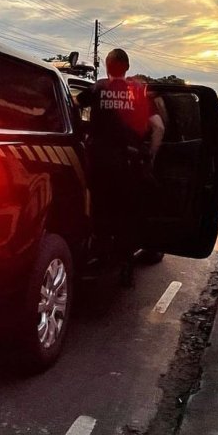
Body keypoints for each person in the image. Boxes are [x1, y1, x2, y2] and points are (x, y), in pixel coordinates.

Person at [73, 48, 165, 286]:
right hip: (130, 166)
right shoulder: (138, 92)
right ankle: (126, 266)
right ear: (127, 67)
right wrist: (150, 157)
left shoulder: (98, 88)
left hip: (100, 165)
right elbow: (159, 128)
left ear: (107, 66)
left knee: (102, 213)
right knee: (128, 215)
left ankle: (103, 258)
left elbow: (72, 104)